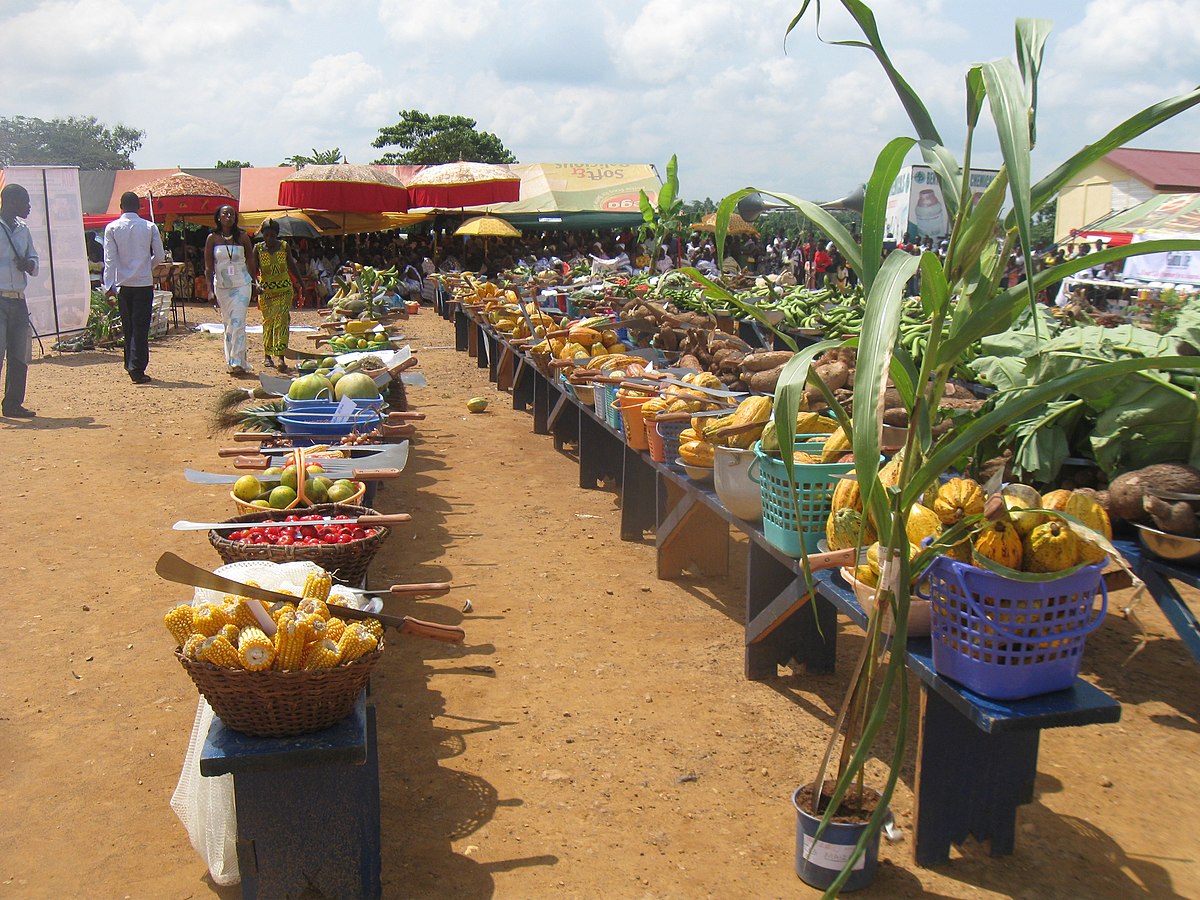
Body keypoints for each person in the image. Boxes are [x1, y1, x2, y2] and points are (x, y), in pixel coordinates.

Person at [103, 191, 164, 386]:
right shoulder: (149, 226)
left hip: (123, 285)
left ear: (120, 207)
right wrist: (147, 266)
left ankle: (130, 363)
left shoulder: (111, 228)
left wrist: (108, 287)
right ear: (139, 207)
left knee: (128, 326)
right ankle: (137, 367)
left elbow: (110, 260)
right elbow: (160, 256)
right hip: (143, 283)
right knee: (141, 326)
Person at [205, 205, 257, 377]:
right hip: (222, 287)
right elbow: (208, 267)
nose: (229, 216)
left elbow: (250, 261)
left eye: (232, 214)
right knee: (228, 323)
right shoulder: (212, 238)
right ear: (218, 217)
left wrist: (255, 283)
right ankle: (233, 360)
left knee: (238, 321)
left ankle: (237, 362)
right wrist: (209, 290)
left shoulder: (243, 237)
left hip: (242, 284)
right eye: (225, 213)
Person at [0, 183, 39, 416]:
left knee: (19, 354)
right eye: (25, 202)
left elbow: (34, 259)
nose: (29, 207)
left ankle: (12, 404)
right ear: (12, 202)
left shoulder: (24, 230)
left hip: (18, 300)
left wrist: (29, 265)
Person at [253, 219, 301, 372]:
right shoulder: (258, 249)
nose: (269, 238)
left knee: (282, 320)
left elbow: (292, 265)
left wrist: (301, 283)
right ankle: (267, 355)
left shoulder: (284, 247)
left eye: (272, 235)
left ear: (277, 235)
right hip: (266, 291)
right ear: (263, 235)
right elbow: (253, 271)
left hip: (284, 289)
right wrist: (256, 284)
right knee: (268, 322)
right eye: (266, 235)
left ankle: (280, 356)